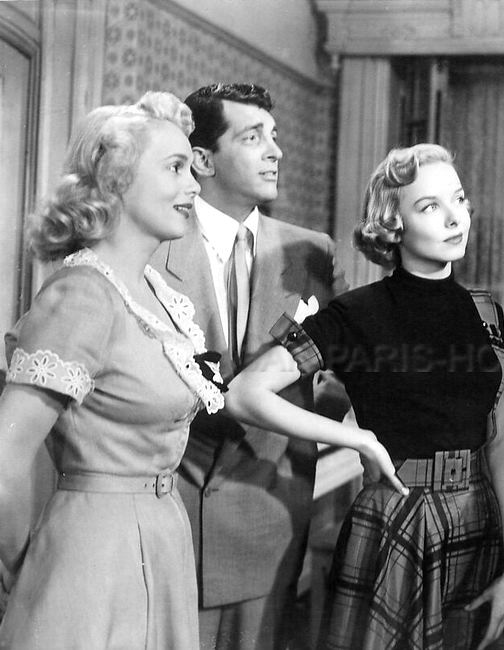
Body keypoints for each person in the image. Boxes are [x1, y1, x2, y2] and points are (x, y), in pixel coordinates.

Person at [226, 143, 504, 650]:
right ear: (393, 225)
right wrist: (360, 439)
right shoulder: (355, 315)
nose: (454, 217)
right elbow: (244, 393)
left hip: (480, 524)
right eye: (430, 206)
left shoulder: (485, 313)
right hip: (398, 523)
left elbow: (501, 442)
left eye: (458, 200)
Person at [0, 91, 223, 648]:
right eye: (175, 167)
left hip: (163, 537)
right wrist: (23, 567)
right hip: (92, 554)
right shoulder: (83, 295)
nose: (194, 186)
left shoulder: (155, 293)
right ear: (116, 179)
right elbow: (5, 461)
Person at [149, 82, 349, 650]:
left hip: (269, 519)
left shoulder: (312, 254)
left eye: (274, 136)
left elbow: (343, 375)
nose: (275, 151)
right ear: (203, 159)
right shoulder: (151, 246)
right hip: (168, 518)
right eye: (253, 137)